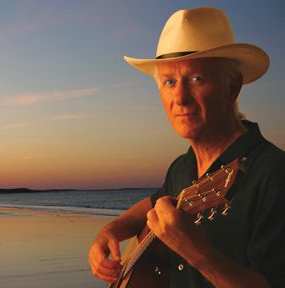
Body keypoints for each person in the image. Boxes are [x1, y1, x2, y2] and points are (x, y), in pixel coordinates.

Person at [88, 7, 285, 288]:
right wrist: (111, 229)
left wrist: (198, 252)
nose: (180, 98)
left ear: (232, 87)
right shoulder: (182, 168)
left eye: (196, 79)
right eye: (169, 81)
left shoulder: (274, 174)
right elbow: (152, 204)